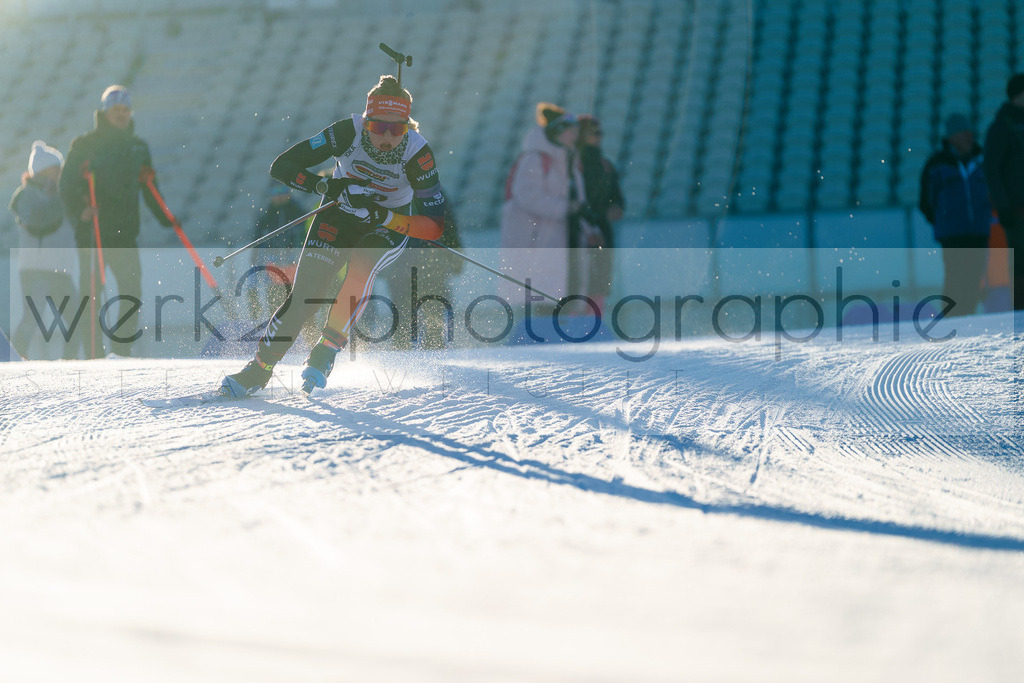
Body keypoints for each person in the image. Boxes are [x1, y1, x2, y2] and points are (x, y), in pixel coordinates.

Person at [220, 74, 446, 396]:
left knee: (360, 265)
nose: (385, 137)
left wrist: (384, 214)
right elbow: (282, 167)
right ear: (365, 121)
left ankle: (327, 348)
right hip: (339, 215)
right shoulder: (346, 132)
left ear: (408, 127)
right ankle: (257, 371)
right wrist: (327, 186)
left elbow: (434, 225)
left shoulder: (418, 154)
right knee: (305, 296)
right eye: (376, 126)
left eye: (395, 129)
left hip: (388, 226)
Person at [59, 85, 173, 357]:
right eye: (116, 110)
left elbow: (149, 188)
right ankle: (94, 355)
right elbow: (66, 186)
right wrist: (80, 211)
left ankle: (121, 352)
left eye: (125, 109)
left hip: (125, 233)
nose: (121, 114)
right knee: (91, 296)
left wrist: (168, 219)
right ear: (105, 112)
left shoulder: (138, 147)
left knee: (131, 293)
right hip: (92, 232)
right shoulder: (84, 144)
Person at [499, 103, 598, 312]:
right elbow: (527, 196)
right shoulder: (535, 159)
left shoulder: (567, 161)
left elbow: (576, 201)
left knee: (565, 294)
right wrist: (566, 208)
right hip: (539, 240)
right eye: (572, 131)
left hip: (565, 238)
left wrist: (589, 228)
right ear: (558, 133)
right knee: (544, 299)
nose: (575, 136)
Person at [8, 141, 79, 359]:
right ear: (41, 170)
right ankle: (14, 360)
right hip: (35, 268)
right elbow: (40, 222)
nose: (59, 172)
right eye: (55, 168)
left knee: (75, 319)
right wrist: (56, 198)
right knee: (33, 318)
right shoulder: (26, 195)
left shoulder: (58, 194)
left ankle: (70, 365)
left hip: (59, 269)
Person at [919, 113, 991, 316]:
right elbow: (925, 200)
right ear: (951, 137)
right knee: (955, 277)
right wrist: (942, 221)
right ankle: (951, 319)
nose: (969, 136)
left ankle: (968, 317)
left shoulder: (983, 159)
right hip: (952, 234)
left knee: (974, 277)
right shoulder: (936, 164)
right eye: (963, 132)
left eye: (970, 132)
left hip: (978, 231)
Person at [379, 192, 463, 350]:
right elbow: (450, 226)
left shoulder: (392, 192)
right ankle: (429, 350)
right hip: (426, 263)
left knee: (404, 316)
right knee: (427, 314)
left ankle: (404, 352)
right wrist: (456, 259)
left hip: (409, 265)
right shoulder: (435, 194)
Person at [576, 114, 625, 313]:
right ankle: (578, 325)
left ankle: (593, 324)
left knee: (600, 279)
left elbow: (617, 197)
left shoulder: (605, 165)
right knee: (582, 280)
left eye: (599, 133)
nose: (598, 137)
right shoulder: (574, 164)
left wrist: (616, 207)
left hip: (601, 231)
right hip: (582, 230)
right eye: (593, 133)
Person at [983, 73, 1024, 310]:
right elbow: (992, 168)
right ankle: (1020, 315)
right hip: (1016, 209)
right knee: (1020, 265)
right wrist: (1003, 206)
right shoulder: (1002, 126)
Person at [247, 183, 308, 321]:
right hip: (274, 261)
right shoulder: (266, 215)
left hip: (294, 260)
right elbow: (257, 239)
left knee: (294, 296)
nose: (280, 196)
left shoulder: (298, 211)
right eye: (276, 192)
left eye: (283, 192)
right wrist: (255, 254)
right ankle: (274, 325)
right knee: (274, 297)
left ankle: (298, 325)